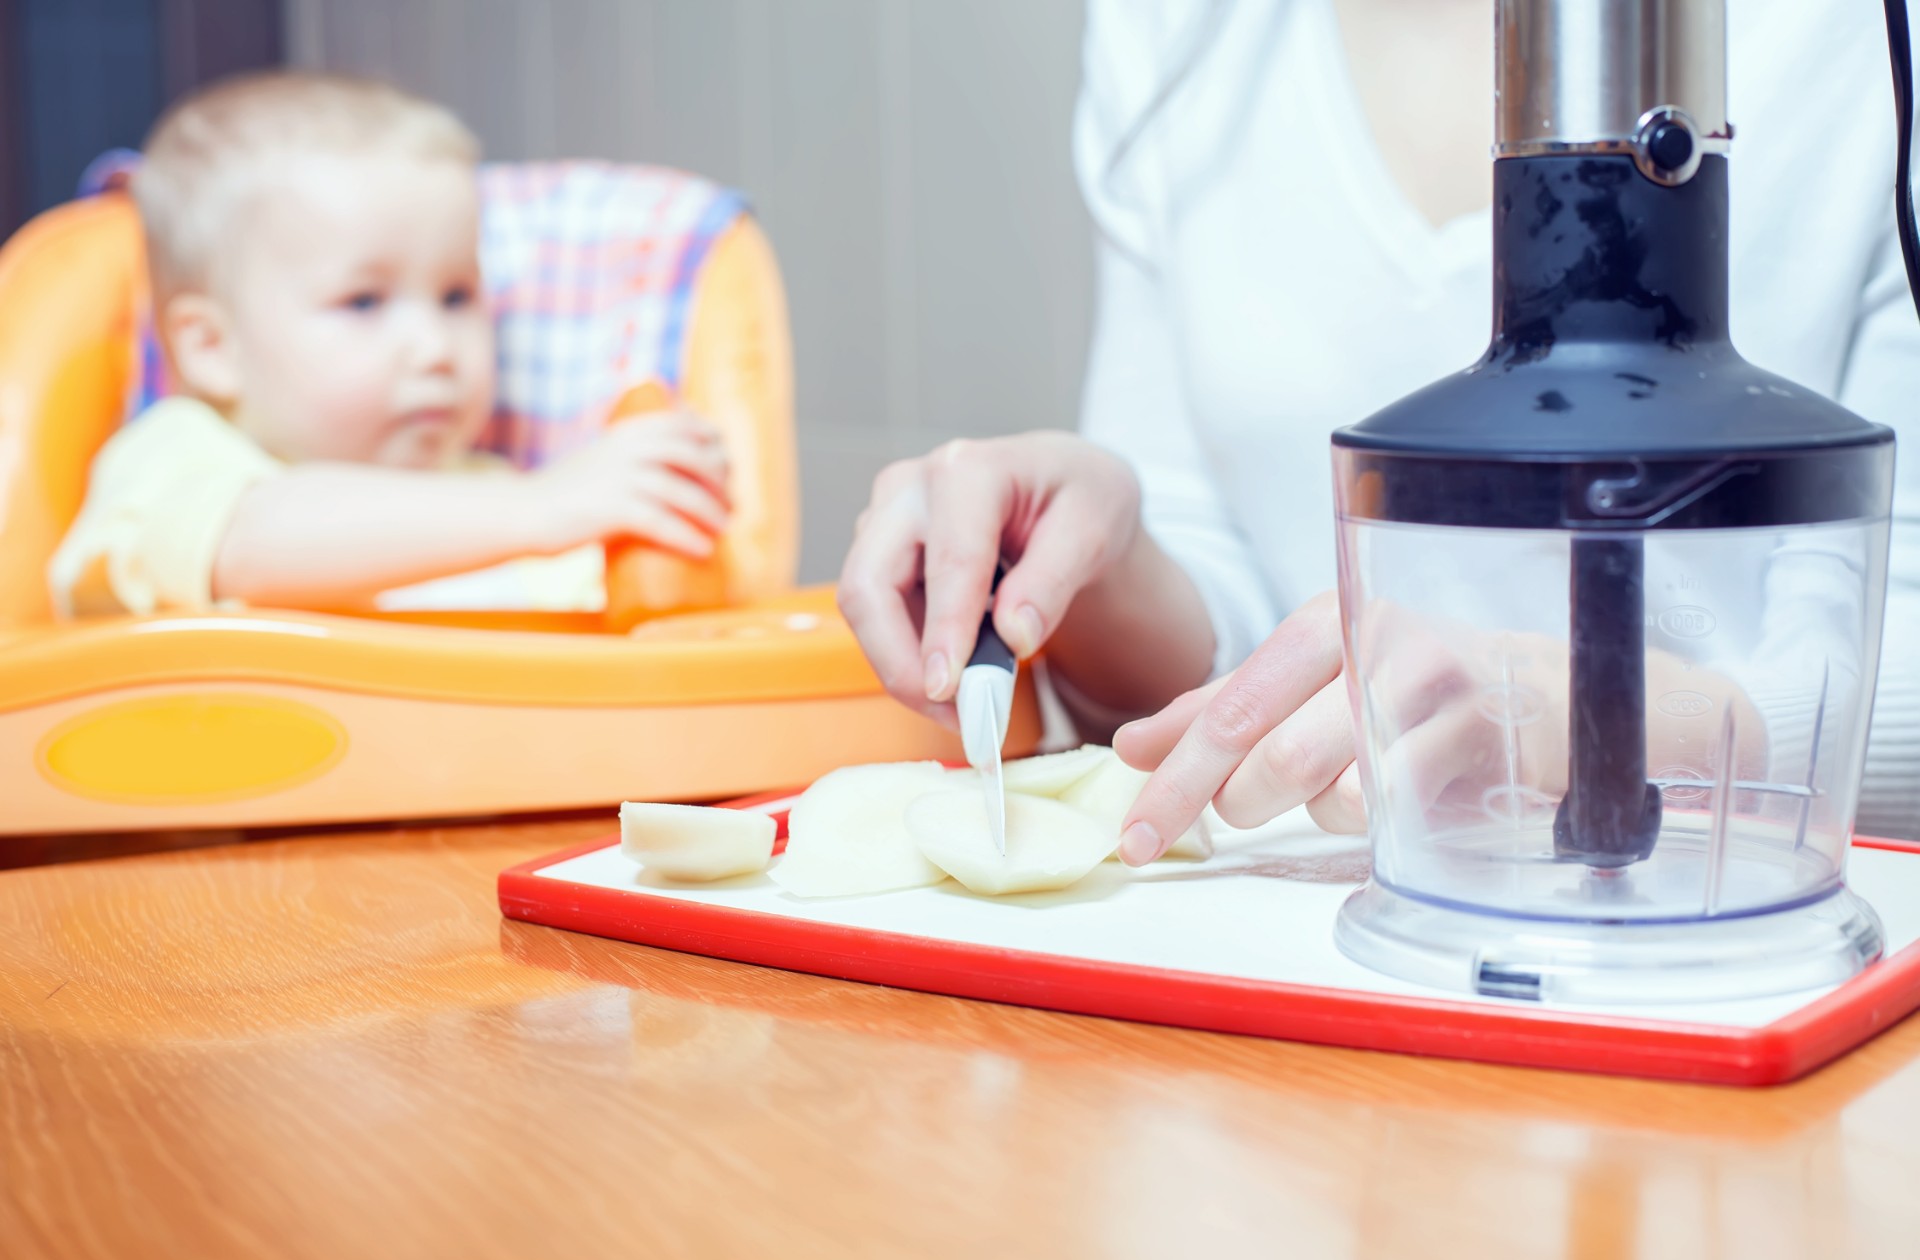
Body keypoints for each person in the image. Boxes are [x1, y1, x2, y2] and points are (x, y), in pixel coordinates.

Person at [837, 0, 1920, 858]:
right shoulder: (1178, 29)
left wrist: (1588, 718)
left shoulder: (1873, 40)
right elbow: (1235, 608)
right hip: (1309, 961)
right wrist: (1100, 564)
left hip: (1724, 950)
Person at [50, 71, 729, 617]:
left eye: (458, 296)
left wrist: (653, 504)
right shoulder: (174, 457)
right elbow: (247, 544)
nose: (435, 347)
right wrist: (547, 508)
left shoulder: (499, 495)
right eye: (364, 301)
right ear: (211, 349)